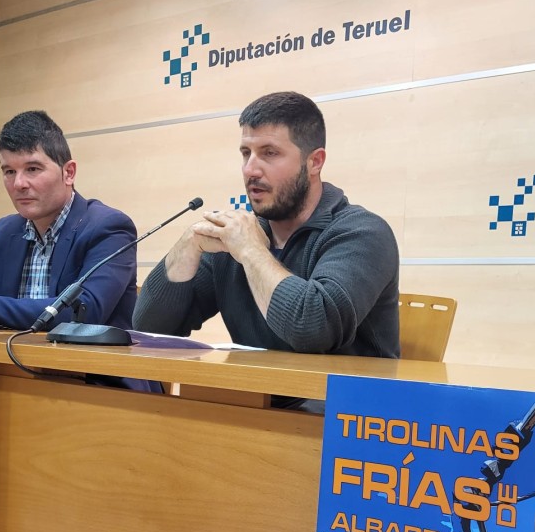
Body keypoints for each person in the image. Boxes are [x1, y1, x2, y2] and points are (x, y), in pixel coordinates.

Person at [134, 91, 400, 360]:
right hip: (255, 396)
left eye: (269, 153)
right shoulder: (237, 238)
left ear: (314, 162)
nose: (251, 169)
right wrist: (188, 244)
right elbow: (148, 328)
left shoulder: (363, 233)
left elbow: (314, 331)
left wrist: (250, 251)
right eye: (245, 153)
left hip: (337, 400)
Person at [0, 110, 138, 331]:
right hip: (9, 363)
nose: (18, 183)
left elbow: (85, 310)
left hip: (85, 364)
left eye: (32, 169)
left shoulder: (108, 227)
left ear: (68, 173)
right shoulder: (5, 231)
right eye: (9, 171)